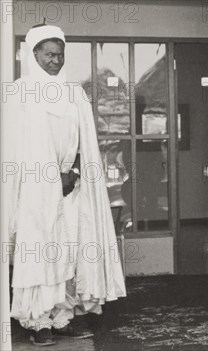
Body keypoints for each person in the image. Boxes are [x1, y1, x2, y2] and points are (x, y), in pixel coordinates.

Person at [4, 25, 126, 346]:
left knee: (69, 249)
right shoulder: (20, 92)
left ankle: (63, 315)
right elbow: (15, 146)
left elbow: (84, 139)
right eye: (49, 55)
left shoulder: (73, 92)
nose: (56, 61)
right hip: (34, 188)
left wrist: (72, 170)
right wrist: (45, 178)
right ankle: (37, 321)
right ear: (34, 55)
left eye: (60, 55)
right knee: (41, 251)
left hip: (70, 184)